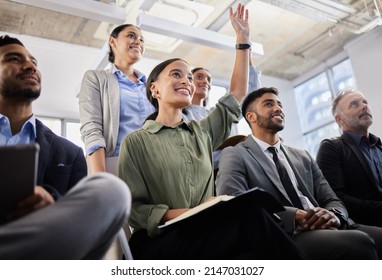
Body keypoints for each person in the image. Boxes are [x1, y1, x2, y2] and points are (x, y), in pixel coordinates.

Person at [118, 4, 303, 260]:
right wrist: (194, 212)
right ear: (154, 89)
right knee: (254, 221)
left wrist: (243, 41)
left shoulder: (201, 132)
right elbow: (135, 211)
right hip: (158, 241)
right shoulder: (135, 142)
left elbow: (236, 95)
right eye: (176, 75)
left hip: (203, 230)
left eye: (189, 78)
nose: (187, 81)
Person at [0, 35, 131, 259]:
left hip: (42, 257)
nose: (29, 65)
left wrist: (53, 205)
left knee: (112, 190)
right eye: (13, 59)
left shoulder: (70, 153)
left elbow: (80, 227)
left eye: (33, 62)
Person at [216, 86, 382, 259]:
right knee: (358, 243)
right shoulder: (235, 153)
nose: (278, 108)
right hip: (288, 234)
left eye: (279, 104)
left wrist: (334, 214)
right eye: (268, 104)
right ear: (251, 117)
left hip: (333, 225)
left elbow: (331, 198)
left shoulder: (302, 156)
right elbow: (234, 202)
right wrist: (293, 216)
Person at [79, 24, 154, 173]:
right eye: (131, 36)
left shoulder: (152, 86)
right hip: (117, 165)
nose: (138, 42)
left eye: (142, 39)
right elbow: (92, 129)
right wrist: (100, 176)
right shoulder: (96, 78)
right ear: (113, 42)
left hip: (154, 165)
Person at [316, 89, 382, 227]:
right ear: (340, 119)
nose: (364, 106)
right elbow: (336, 197)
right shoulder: (331, 148)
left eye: (365, 102)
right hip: (363, 225)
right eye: (354, 104)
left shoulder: (378, 146)